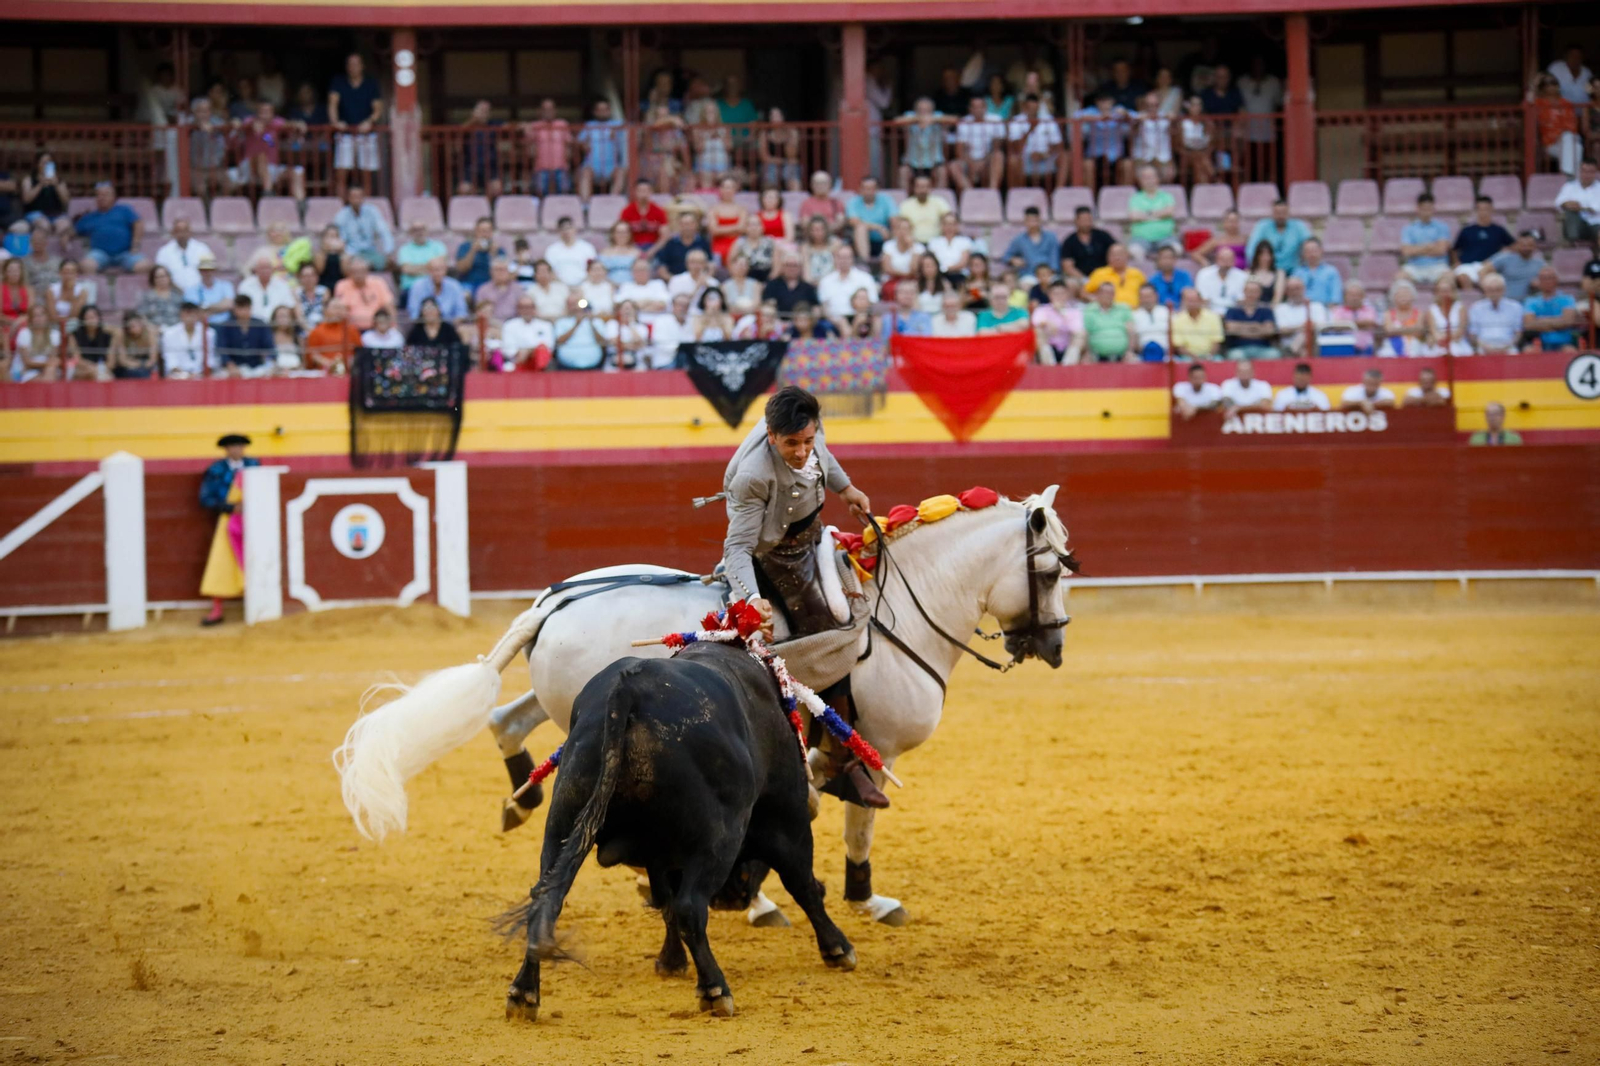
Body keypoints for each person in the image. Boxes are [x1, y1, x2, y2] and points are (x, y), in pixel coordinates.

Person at [719, 386, 879, 807]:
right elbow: (736, 549)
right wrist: (751, 598)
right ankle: (841, 763)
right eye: (791, 443)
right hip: (771, 555)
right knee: (828, 626)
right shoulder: (755, 475)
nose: (802, 450)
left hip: (813, 538)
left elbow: (825, 458)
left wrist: (847, 491)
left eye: (807, 439)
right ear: (771, 436)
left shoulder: (811, 434)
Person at [198, 434, 259, 626]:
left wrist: (250, 506)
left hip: (256, 521)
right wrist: (230, 507)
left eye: (239, 446)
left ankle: (257, 605)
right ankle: (217, 610)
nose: (236, 450)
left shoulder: (255, 466)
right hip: (228, 521)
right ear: (226, 449)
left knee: (255, 561)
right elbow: (205, 499)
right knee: (222, 564)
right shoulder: (216, 470)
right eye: (233, 446)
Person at [328, 54, 384, 196]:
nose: (353, 67)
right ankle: (340, 206)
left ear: (362, 66)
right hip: (345, 133)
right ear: (347, 67)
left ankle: (366, 205)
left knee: (366, 175)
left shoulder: (371, 84)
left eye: (356, 64)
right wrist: (335, 122)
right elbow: (332, 104)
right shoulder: (339, 82)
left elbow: (378, 109)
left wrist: (369, 121)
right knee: (342, 172)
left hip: (366, 134)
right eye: (350, 64)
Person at [74, 183, 145, 274]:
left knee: (143, 266)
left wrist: (135, 245)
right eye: (99, 195)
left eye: (105, 194)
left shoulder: (124, 210)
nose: (102, 197)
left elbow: (138, 223)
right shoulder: (89, 217)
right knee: (86, 266)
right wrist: (65, 234)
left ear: (113, 197)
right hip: (99, 253)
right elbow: (74, 230)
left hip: (125, 252)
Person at [1006, 93, 1067, 189]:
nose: (1033, 111)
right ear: (1025, 107)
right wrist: (1030, 129)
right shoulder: (1016, 121)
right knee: (1012, 161)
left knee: (1065, 156)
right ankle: (1017, 195)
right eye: (1030, 108)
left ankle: (1058, 193)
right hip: (1025, 159)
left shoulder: (1048, 120)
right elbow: (1015, 148)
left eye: (1035, 108)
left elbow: (1058, 145)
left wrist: (1044, 154)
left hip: (1046, 158)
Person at [1452, 196, 1515, 286]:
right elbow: (1455, 249)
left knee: (1490, 280)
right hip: (1468, 266)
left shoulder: (1498, 230)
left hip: (1489, 266)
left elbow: (1513, 246)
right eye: (1480, 209)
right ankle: (1470, 298)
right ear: (1476, 211)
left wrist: (1504, 253)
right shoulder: (1467, 230)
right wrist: (1456, 263)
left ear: (1491, 210)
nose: (1483, 212)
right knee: (1463, 278)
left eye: (1486, 209)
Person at [951, 95, 1006, 191]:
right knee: (953, 166)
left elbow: (996, 147)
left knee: (998, 155)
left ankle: (992, 192)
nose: (978, 110)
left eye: (980, 107)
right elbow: (959, 151)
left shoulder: (995, 120)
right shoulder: (964, 122)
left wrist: (983, 162)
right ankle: (970, 193)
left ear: (985, 108)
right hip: (969, 161)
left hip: (988, 161)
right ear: (970, 109)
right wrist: (971, 162)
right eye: (974, 107)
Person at [576, 99, 627, 200]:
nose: (603, 112)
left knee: (621, 173)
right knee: (585, 173)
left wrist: (617, 134)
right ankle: (586, 206)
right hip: (593, 165)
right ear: (595, 112)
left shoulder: (617, 124)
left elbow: (629, 132)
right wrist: (584, 145)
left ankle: (612, 201)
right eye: (600, 110)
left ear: (609, 111)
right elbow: (579, 142)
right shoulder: (589, 125)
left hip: (612, 165)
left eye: (605, 109)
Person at [1399, 193, 1453, 286]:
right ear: (1418, 209)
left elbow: (1441, 250)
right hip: (1415, 267)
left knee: (1449, 278)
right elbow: (1406, 251)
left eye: (1429, 209)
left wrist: (1416, 249)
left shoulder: (1442, 227)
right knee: (1400, 277)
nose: (1427, 212)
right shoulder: (1409, 228)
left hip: (1438, 266)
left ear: (1433, 209)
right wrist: (1428, 247)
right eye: (1424, 209)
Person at [334, 185, 393, 270]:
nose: (356, 200)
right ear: (348, 198)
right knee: (351, 264)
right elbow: (341, 239)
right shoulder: (341, 215)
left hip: (370, 251)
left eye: (359, 196)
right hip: (352, 252)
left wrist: (388, 251)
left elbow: (384, 231)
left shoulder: (372, 211)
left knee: (389, 263)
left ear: (363, 198)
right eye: (354, 197)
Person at [214, 294, 274, 377]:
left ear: (250, 308)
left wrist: (267, 361)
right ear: (235, 309)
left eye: (246, 307)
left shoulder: (260, 325)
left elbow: (269, 347)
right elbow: (222, 349)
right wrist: (230, 365)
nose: (243, 311)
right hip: (233, 367)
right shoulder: (226, 326)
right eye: (240, 308)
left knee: (270, 373)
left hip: (257, 366)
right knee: (221, 375)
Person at [1522, 266, 1580, 350]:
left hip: (1563, 343)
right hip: (1538, 343)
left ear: (1556, 280)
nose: (1547, 281)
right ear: (1539, 281)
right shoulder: (1530, 301)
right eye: (1543, 278)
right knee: (1528, 350)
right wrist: (1557, 322)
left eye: (1550, 278)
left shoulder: (1567, 299)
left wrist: (1540, 321)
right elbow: (1529, 324)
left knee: (1569, 350)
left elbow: (1568, 321)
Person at [1246, 200, 1311, 274]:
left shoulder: (1299, 226)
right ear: (1272, 213)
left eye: (1283, 212)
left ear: (1289, 213)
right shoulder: (1262, 226)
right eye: (1277, 213)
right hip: (1269, 271)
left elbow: (1310, 244)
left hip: (1293, 270)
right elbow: (1251, 249)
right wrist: (1256, 268)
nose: (1280, 216)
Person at [1126, 164, 1177, 257]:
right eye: (1145, 177)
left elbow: (1169, 212)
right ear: (1140, 180)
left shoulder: (1167, 196)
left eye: (1151, 177)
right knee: (1134, 252)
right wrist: (1158, 214)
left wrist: (1145, 215)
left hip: (1165, 237)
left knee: (1176, 249)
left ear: (1157, 179)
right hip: (1140, 238)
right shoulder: (1135, 198)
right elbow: (1133, 216)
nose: (1149, 180)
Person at [331, 256, 394, 331]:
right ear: (349, 273)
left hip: (376, 328)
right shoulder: (341, 285)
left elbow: (389, 305)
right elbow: (339, 309)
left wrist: (393, 325)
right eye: (355, 271)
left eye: (361, 271)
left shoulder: (378, 283)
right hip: (350, 329)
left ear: (367, 271)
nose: (358, 275)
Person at [1467, 273, 1523, 354]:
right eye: (1490, 290)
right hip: (1484, 347)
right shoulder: (1476, 308)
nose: (1494, 293)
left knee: (1513, 353)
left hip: (1508, 346)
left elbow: (1518, 333)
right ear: (1485, 291)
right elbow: (1473, 334)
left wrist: (1506, 347)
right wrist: (1486, 348)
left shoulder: (1515, 307)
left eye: (1498, 289)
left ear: (1504, 289)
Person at [816, 245, 876, 320]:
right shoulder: (825, 281)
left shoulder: (866, 278)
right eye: (840, 257)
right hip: (834, 322)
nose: (843, 260)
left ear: (852, 259)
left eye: (847, 257)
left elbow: (872, 303)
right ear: (835, 259)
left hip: (860, 320)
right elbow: (824, 308)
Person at [155, 217, 213, 294]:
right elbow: (160, 277)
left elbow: (208, 273)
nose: (182, 235)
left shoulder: (202, 249)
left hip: (201, 293)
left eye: (185, 231)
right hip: (173, 294)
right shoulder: (163, 252)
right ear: (173, 233)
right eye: (178, 231)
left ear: (190, 232)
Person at [1222, 279, 1277, 361]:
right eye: (1249, 291)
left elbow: (1269, 330)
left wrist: (1241, 328)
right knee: (1235, 356)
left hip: (1262, 348)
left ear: (1260, 293)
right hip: (1239, 348)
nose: (1252, 294)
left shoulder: (1266, 310)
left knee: (1273, 355)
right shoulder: (1233, 309)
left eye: (1255, 291)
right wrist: (1257, 327)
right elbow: (1230, 329)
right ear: (1244, 291)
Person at [499, 294, 555, 371]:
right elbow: (508, 347)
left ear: (534, 308)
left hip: (538, 362)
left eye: (529, 307)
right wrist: (521, 353)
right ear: (518, 309)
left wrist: (529, 351)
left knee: (541, 350)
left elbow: (549, 346)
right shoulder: (509, 325)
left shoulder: (545, 325)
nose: (526, 310)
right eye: (523, 307)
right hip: (518, 362)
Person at [1273, 276, 1326, 359]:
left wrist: (1301, 328)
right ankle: (1294, 351)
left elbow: (1321, 327)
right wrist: (1303, 327)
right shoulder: (1281, 308)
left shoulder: (1317, 306)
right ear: (1286, 292)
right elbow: (1282, 330)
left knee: (1307, 333)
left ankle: (1292, 350)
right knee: (1303, 351)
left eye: (1297, 288)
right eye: (1291, 289)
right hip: (1288, 344)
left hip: (1314, 345)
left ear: (1304, 289)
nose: (1295, 292)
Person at [1081, 281, 1135, 362]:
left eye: (1110, 293)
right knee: (1085, 362)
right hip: (1096, 355)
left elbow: (1131, 331)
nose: (1107, 295)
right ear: (1098, 294)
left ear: (1114, 295)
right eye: (1104, 292)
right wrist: (1087, 352)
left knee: (1133, 361)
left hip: (1122, 354)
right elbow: (1086, 333)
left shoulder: (1124, 309)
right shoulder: (1089, 310)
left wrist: (1130, 351)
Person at [1486, 230, 1547, 301]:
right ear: (1517, 245)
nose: (1526, 248)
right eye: (1523, 245)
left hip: (1528, 304)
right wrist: (1488, 288)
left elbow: (1548, 283)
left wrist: (1539, 285)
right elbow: (1483, 271)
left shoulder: (1540, 264)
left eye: (1530, 245)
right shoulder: (1504, 258)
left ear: (1534, 247)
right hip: (1506, 302)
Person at [161, 301, 216, 378]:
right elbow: (170, 359)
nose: (189, 317)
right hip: (177, 375)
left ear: (198, 315)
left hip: (201, 374)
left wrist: (199, 374)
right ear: (181, 315)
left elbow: (210, 358)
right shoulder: (169, 333)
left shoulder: (209, 333)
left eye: (192, 314)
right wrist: (184, 374)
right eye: (187, 314)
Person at [1003, 206, 1061, 279]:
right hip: (1029, 274)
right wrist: (1013, 260)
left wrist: (1050, 273)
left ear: (1039, 220)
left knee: (1056, 285)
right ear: (1025, 221)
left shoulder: (1051, 237)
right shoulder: (1019, 240)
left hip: (1049, 274)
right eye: (1029, 220)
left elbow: (1054, 259)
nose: (1032, 223)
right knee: (1026, 284)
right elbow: (1006, 256)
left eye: (1034, 220)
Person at [552, 293, 607, 369]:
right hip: (566, 366)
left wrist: (591, 322)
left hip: (594, 364)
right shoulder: (561, 322)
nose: (574, 307)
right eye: (571, 304)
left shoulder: (596, 321)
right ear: (566, 306)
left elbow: (602, 342)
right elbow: (559, 341)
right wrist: (576, 324)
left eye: (575, 303)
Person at [846, 177, 895, 264]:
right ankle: (866, 263)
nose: (868, 191)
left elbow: (894, 219)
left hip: (884, 238)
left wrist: (889, 230)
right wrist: (878, 227)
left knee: (899, 226)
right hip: (861, 241)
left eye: (871, 188)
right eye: (865, 188)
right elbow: (853, 221)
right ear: (860, 189)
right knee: (860, 228)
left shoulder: (886, 200)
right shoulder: (853, 202)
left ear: (877, 190)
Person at [653, 209, 712, 279]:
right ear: (679, 225)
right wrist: (673, 280)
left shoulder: (703, 243)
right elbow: (662, 267)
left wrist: (705, 278)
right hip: (675, 281)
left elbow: (711, 264)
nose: (687, 227)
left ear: (696, 225)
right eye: (684, 224)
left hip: (700, 281)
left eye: (691, 223)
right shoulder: (671, 244)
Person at [1170, 286, 1225, 360]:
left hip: (1210, 355)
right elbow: (1179, 346)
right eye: (1189, 301)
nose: (1192, 304)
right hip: (1187, 357)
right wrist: (1194, 358)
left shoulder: (1213, 317)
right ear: (1183, 302)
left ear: (1201, 301)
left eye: (1194, 300)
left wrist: (1209, 356)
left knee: (1219, 360)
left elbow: (1217, 342)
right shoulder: (1177, 319)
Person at [1084, 243, 1146, 308]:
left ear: (1127, 256)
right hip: (1109, 313)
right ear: (1107, 257)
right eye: (1113, 255)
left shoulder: (1137, 274)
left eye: (1120, 254)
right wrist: (1095, 300)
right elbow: (1084, 293)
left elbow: (1147, 293)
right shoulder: (1099, 273)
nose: (1117, 258)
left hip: (1135, 312)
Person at [1555, 158, 1600, 247]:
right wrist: (1567, 204)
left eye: (1590, 172)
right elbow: (1558, 202)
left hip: (1596, 224)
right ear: (1579, 172)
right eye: (1584, 171)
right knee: (1570, 213)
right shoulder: (1569, 186)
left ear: (1595, 173)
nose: (1587, 174)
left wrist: (1580, 207)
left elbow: (1596, 208)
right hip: (1577, 225)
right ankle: (1573, 245)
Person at [1061, 206, 1115, 279]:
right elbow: (1068, 266)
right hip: (1080, 279)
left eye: (1089, 219)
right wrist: (1084, 279)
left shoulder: (1103, 236)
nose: (1087, 223)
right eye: (1083, 220)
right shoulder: (1070, 241)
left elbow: (1116, 250)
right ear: (1076, 221)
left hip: (1104, 276)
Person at [304, 298, 358, 372]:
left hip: (349, 372)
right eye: (335, 308)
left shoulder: (352, 330)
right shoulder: (317, 331)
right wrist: (328, 363)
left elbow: (359, 352)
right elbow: (311, 355)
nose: (338, 311)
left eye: (342, 308)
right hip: (325, 373)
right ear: (325, 310)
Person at [238, 254, 296, 321]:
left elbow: (289, 307)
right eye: (262, 268)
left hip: (277, 326)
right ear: (255, 270)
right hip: (253, 326)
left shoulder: (282, 285)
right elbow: (241, 308)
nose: (265, 271)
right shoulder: (246, 285)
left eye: (267, 268)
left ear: (272, 269)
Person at [395, 219, 447, 295]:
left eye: (422, 229)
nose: (420, 232)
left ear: (427, 230)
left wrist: (416, 268)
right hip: (410, 287)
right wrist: (432, 268)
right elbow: (406, 269)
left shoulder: (439, 246)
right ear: (410, 233)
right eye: (415, 230)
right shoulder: (404, 249)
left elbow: (441, 267)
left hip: (436, 286)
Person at [897, 173, 950, 245]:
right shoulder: (906, 205)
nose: (923, 190)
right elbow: (901, 228)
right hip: (913, 244)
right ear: (914, 188)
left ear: (930, 188)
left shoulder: (939, 202)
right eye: (920, 187)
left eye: (926, 187)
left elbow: (949, 221)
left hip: (937, 243)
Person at [1379, 280, 1428, 356]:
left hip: (1415, 346)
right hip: (1391, 347)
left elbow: (1419, 332)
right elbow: (1389, 331)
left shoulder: (1419, 314)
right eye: (1400, 295)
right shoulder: (1388, 314)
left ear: (1412, 296)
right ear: (1394, 297)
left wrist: (1397, 330)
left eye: (1406, 294)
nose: (1403, 297)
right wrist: (1411, 329)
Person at [1194, 245, 1245, 315]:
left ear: (1234, 261)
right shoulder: (1204, 274)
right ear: (1216, 260)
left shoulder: (1242, 276)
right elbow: (1203, 299)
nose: (1226, 263)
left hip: (1234, 314)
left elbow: (1241, 300)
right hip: (1210, 313)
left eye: (1229, 260)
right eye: (1223, 260)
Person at [620, 179, 670, 251]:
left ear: (651, 192)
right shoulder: (627, 211)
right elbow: (621, 234)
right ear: (635, 192)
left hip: (654, 247)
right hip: (632, 247)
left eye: (646, 191)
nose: (643, 194)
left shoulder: (659, 211)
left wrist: (652, 251)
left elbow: (665, 236)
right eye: (640, 191)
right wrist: (635, 250)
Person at [926, 212, 974, 280]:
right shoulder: (934, 242)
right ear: (941, 225)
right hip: (938, 276)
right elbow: (932, 261)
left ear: (957, 225)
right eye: (946, 224)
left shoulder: (965, 241)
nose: (949, 227)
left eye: (952, 224)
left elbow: (963, 263)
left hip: (959, 275)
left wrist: (946, 269)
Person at [112, 310, 160, 379]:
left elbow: (152, 360)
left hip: (144, 368)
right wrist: (139, 364)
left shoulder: (149, 333)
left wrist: (143, 364)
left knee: (145, 374)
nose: (136, 327)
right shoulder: (122, 335)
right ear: (127, 328)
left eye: (138, 324)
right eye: (132, 326)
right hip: (127, 369)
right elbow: (122, 361)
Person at [1132, 283, 1170, 361]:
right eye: (1144, 297)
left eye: (1149, 296)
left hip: (1166, 354)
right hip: (1142, 355)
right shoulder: (1134, 315)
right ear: (1139, 298)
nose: (1147, 300)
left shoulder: (1166, 312)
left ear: (1156, 296)